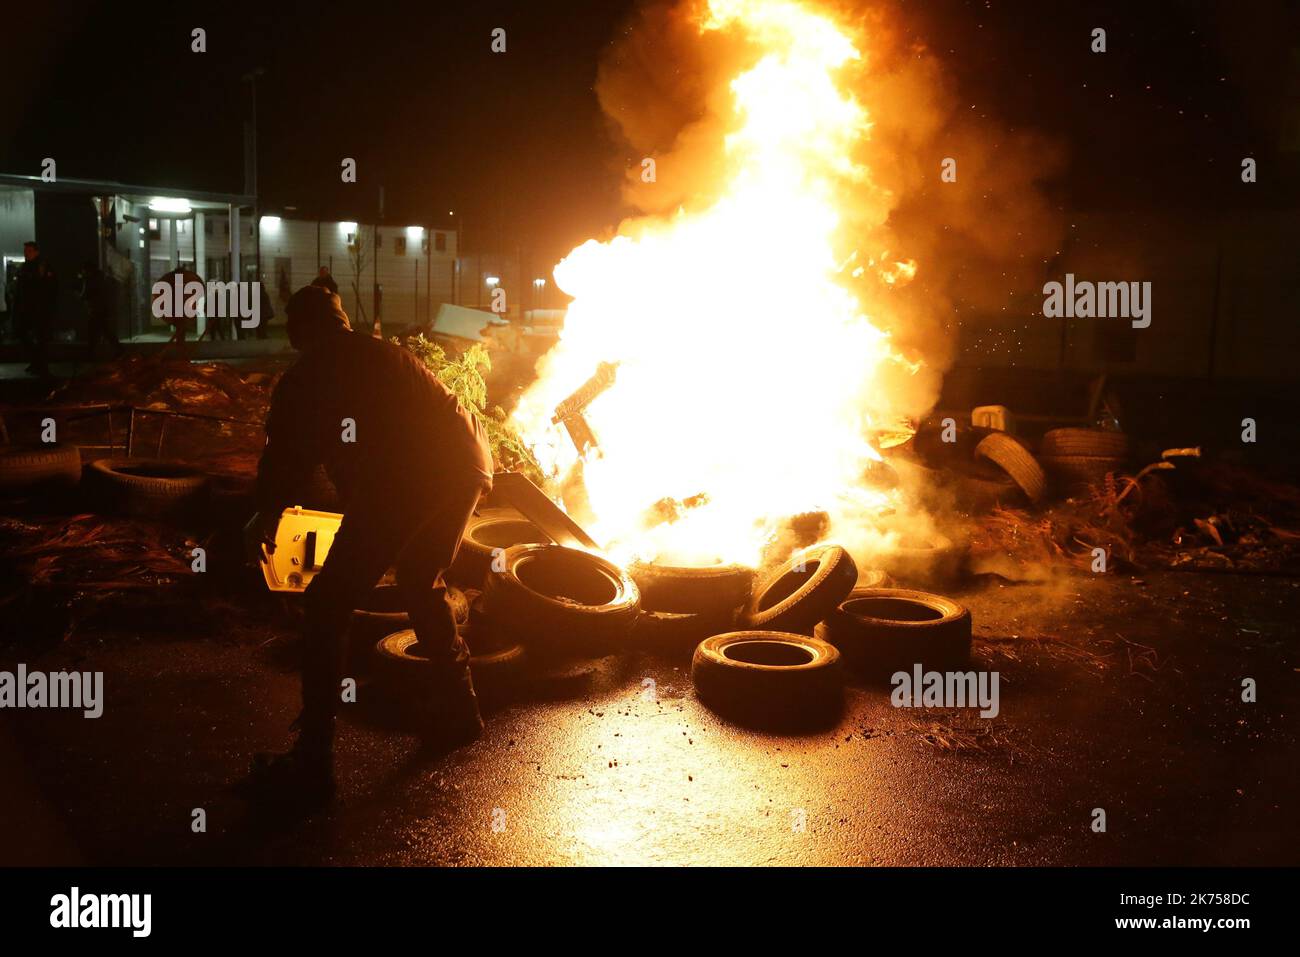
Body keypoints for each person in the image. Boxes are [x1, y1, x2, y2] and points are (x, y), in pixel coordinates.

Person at [241, 285, 493, 809]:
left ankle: (313, 762)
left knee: (328, 601)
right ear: (341, 321)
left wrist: (266, 513)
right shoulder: (383, 351)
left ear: (299, 331)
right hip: (467, 463)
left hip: (410, 476)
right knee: (421, 579)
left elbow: (287, 455)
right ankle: (460, 711)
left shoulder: (308, 374)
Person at [13, 241, 57, 377]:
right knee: (23, 333)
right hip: (27, 308)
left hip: (39, 308)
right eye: (25, 251)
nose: (26, 253)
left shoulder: (41, 266)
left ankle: (41, 365)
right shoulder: (25, 267)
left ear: (36, 252)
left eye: (29, 251)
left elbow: (48, 287)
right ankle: (37, 362)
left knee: (41, 338)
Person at [78, 261, 124, 360]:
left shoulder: (90, 280)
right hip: (103, 309)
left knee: (94, 332)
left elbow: (85, 294)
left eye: (83, 270)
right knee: (105, 331)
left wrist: (79, 293)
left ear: (87, 270)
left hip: (95, 309)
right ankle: (119, 349)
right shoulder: (102, 278)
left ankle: (90, 353)